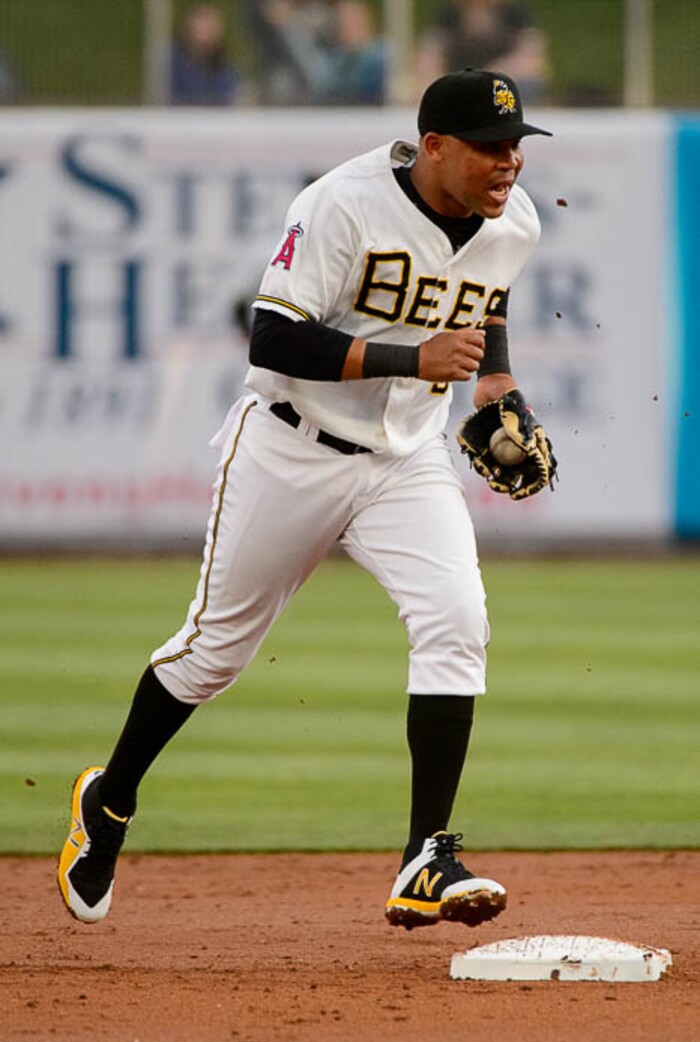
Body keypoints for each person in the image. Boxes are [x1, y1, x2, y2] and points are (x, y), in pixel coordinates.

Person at [58, 68, 556, 931]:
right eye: (488, 146)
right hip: (290, 446)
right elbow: (273, 335)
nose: (507, 161)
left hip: (406, 459)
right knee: (212, 655)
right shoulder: (343, 205)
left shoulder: (514, 217)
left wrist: (495, 380)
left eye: (515, 145)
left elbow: (487, 288)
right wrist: (412, 359)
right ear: (434, 146)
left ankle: (424, 857)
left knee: (456, 619)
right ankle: (110, 799)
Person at [417, 0, 548, 103]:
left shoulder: (516, 14)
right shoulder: (450, 15)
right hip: (457, 88)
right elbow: (429, 55)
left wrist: (486, 80)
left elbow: (531, 54)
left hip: (502, 88)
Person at [169, 3, 240, 106]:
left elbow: (230, 94)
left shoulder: (223, 66)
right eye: (205, 27)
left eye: (213, 28)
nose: (209, 34)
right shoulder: (171, 62)